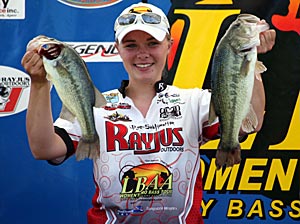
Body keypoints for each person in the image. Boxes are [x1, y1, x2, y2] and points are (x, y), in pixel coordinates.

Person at [21, 2, 276, 224]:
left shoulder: (194, 102)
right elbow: (44, 148)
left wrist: (249, 61)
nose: (143, 54)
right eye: (131, 45)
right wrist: (40, 84)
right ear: (118, 49)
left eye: (153, 43)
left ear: (169, 46)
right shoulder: (96, 106)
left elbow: (249, 122)